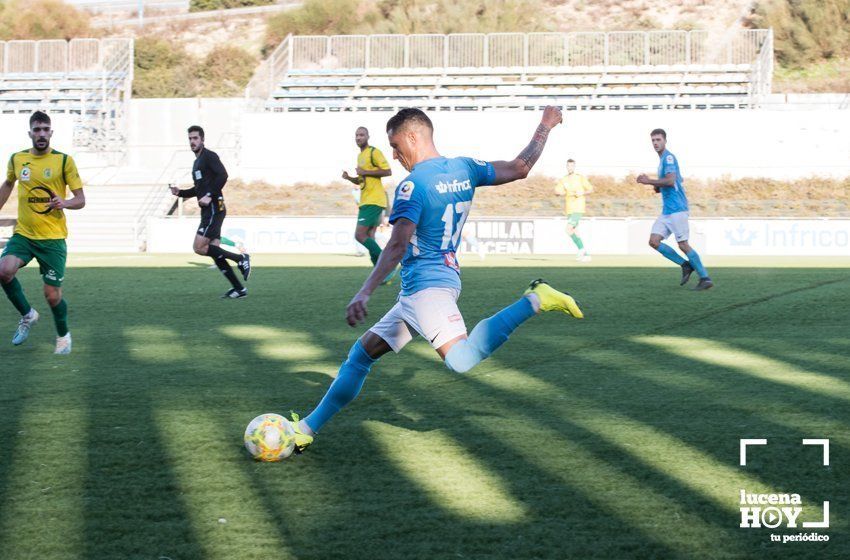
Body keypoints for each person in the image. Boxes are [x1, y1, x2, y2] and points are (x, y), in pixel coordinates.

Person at [286, 106, 584, 452]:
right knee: (361, 355)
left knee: (461, 359)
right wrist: (545, 126)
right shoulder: (465, 168)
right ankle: (306, 428)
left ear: (414, 136)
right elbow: (521, 167)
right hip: (426, 287)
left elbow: (397, 246)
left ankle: (535, 299)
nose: (396, 157)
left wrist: (364, 291)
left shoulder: (414, 186)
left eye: (397, 146)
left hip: (427, 291)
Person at [0, 111, 85, 354]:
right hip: (24, 235)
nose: (41, 134)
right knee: (3, 270)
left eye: (45, 129)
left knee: (52, 296)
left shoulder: (63, 161)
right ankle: (28, 315)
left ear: (51, 133)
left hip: (53, 239)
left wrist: (64, 203)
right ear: (30, 133)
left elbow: (81, 199)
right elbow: (7, 185)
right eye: (36, 130)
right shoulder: (17, 159)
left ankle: (63, 335)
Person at [169, 125, 251, 298]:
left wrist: (209, 195)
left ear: (202, 139)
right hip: (209, 210)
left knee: (198, 247)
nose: (192, 141)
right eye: (190, 138)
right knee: (215, 253)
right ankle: (239, 289)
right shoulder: (196, 163)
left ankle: (241, 259)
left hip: (214, 208)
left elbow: (223, 175)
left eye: (195, 138)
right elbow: (198, 189)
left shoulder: (209, 156)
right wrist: (181, 193)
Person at [636, 129, 713, 290]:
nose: (655, 143)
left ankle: (705, 278)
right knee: (654, 241)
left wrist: (649, 181)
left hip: (677, 209)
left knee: (683, 244)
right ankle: (685, 265)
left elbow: (670, 181)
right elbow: (671, 182)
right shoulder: (662, 162)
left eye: (658, 140)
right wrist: (656, 186)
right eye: (653, 140)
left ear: (665, 141)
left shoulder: (669, 157)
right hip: (667, 211)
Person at [341, 127, 394, 278]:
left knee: (359, 235)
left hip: (374, 200)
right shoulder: (361, 156)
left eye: (361, 135)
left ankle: (387, 266)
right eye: (356, 135)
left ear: (368, 136)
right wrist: (350, 178)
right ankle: (381, 273)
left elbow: (387, 171)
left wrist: (365, 172)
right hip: (367, 200)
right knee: (369, 236)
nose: (359, 137)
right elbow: (362, 180)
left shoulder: (373, 152)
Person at [554, 158, 593, 261]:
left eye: (571, 166)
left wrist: (582, 193)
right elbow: (557, 191)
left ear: (574, 167)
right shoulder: (563, 179)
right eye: (568, 166)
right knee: (575, 231)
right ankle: (586, 254)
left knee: (568, 229)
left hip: (578, 207)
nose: (569, 167)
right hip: (569, 209)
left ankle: (581, 249)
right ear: (566, 167)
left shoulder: (580, 178)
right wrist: (559, 193)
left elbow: (590, 189)